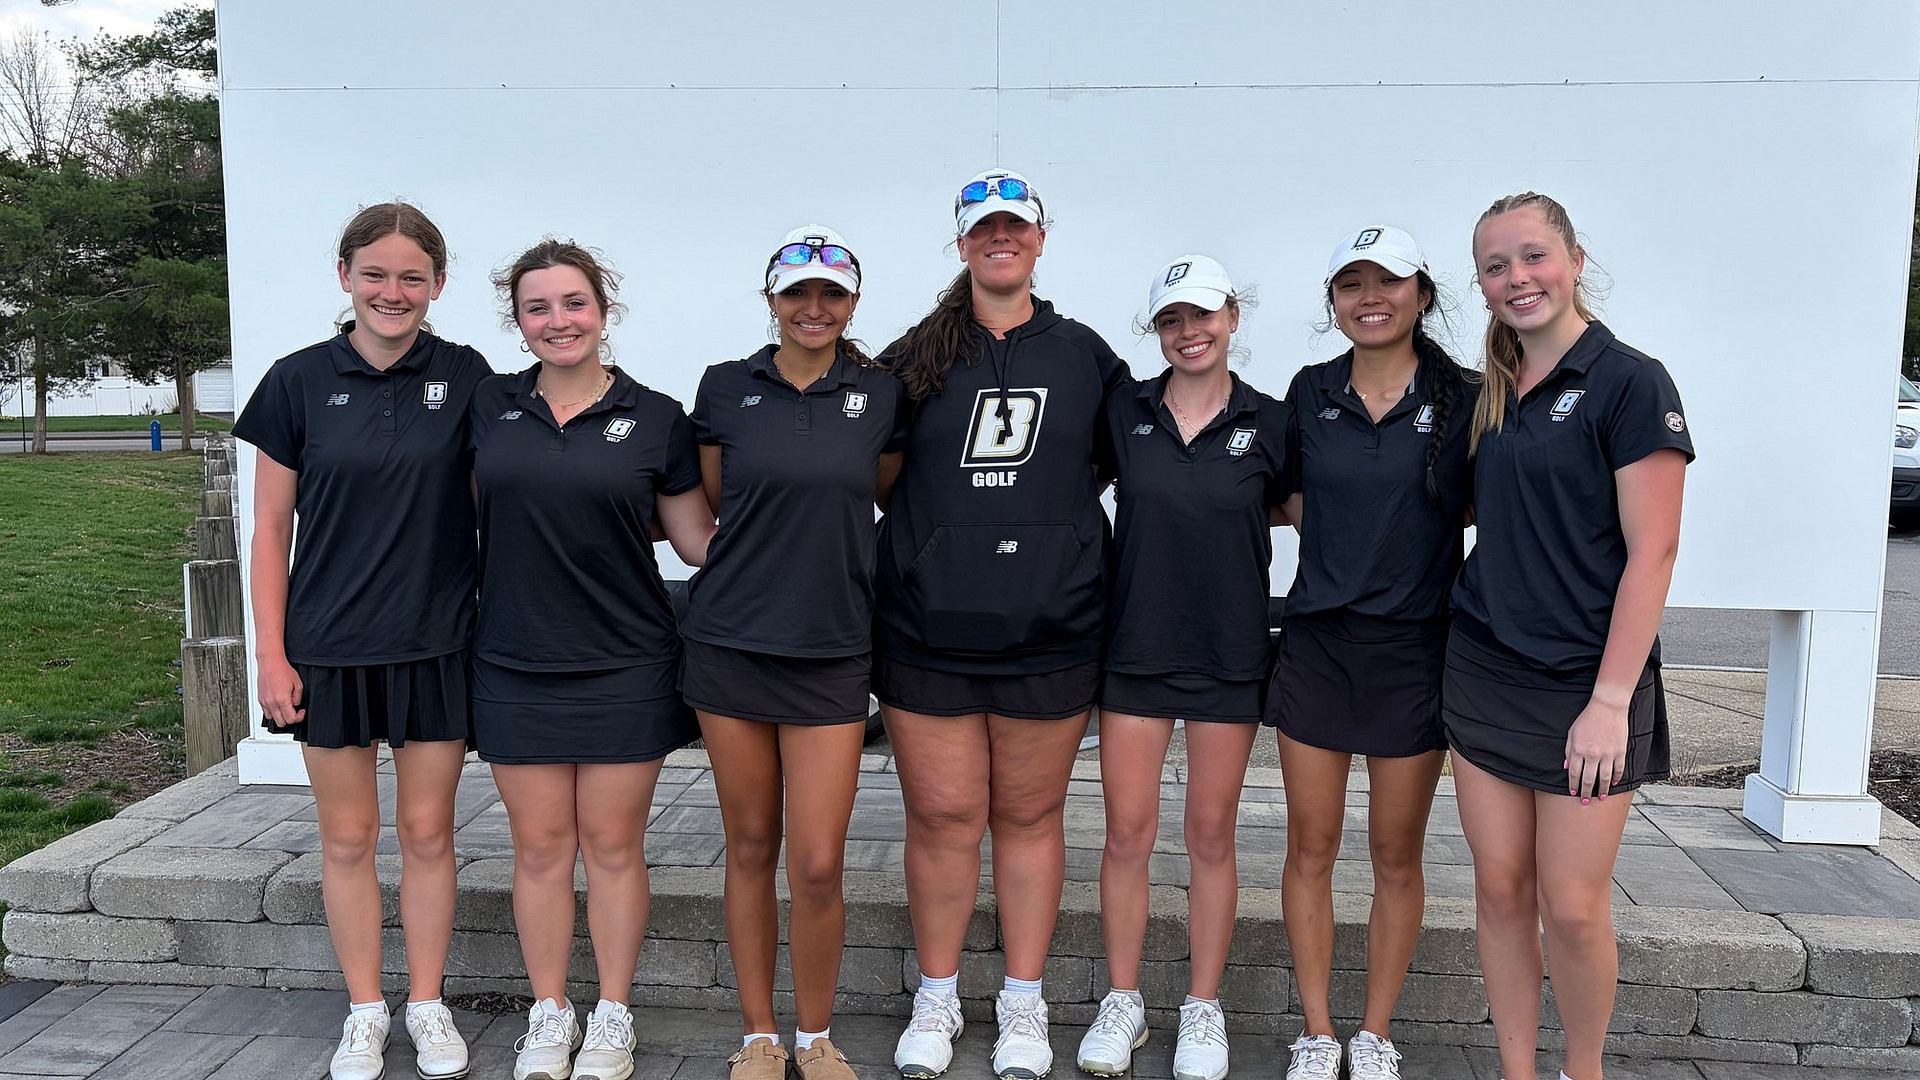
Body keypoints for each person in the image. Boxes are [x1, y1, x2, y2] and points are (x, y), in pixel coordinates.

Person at [875, 169, 1131, 1080]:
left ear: (1039, 238)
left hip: (1051, 630)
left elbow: (1110, 464)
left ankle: (1024, 1000)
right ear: (961, 245)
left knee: (1028, 814)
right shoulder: (915, 356)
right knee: (943, 815)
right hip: (926, 630)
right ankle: (937, 995)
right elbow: (874, 475)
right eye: (983, 228)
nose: (1000, 239)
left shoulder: (1085, 355)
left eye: (1014, 226)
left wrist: (1044, 543)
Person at [235, 202, 487, 1080]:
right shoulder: (297, 381)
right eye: (374, 274)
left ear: (437, 285)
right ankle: (365, 1011)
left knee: (428, 833)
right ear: (344, 276)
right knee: (347, 838)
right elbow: (269, 531)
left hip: (436, 639)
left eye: (411, 276)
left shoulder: (466, 376)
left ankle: (426, 1003)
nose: (392, 291)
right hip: (328, 645)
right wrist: (269, 653)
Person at [1447, 193, 1692, 1080]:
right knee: (1502, 890)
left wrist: (1609, 703)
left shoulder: (1631, 382)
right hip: (1483, 671)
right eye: (1496, 265)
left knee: (1575, 906)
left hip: (1591, 688)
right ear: (1479, 283)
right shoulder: (1490, 393)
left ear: (1576, 259)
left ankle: (1580, 1070)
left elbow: (1653, 555)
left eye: (1533, 257)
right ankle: (1517, 1071)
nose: (1518, 278)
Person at [468, 240, 716, 1080]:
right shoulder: (487, 407)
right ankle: (549, 1014)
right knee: (539, 848)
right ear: (519, 320)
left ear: (602, 312)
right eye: (537, 307)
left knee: (613, 846)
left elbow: (696, 541)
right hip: (511, 657)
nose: (557, 320)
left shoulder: (657, 416)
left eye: (573, 303)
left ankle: (613, 1014)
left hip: (626, 659)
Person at [679, 226, 909, 1080]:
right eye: (797, 293)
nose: (814, 309)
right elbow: (711, 503)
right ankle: (759, 1036)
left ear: (853, 304)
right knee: (749, 845)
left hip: (833, 648)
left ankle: (816, 1034)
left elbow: (880, 491)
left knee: (817, 860)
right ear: (771, 299)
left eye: (832, 295)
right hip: (731, 644)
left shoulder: (880, 394)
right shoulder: (724, 388)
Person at [1266, 226, 1477, 1080]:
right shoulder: (1310, 391)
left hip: (1415, 651)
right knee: (1310, 847)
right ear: (1333, 303)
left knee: (1396, 852)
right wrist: (1349, 542)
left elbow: (1475, 504)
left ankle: (1375, 1033)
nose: (1369, 297)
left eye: (1386, 281)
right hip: (1318, 644)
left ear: (1422, 292)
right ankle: (1317, 1033)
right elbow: (1283, 490)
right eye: (1350, 285)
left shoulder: (1463, 394)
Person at [1076, 256, 1286, 1080]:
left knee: (1209, 834)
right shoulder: (1123, 413)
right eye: (1171, 321)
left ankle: (1203, 1008)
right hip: (1136, 648)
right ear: (1156, 331)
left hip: (1228, 655)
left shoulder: (1270, 421)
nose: (1188, 333)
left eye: (1202, 316)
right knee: (1127, 833)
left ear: (1232, 317)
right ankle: (1122, 1000)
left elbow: (1304, 506)